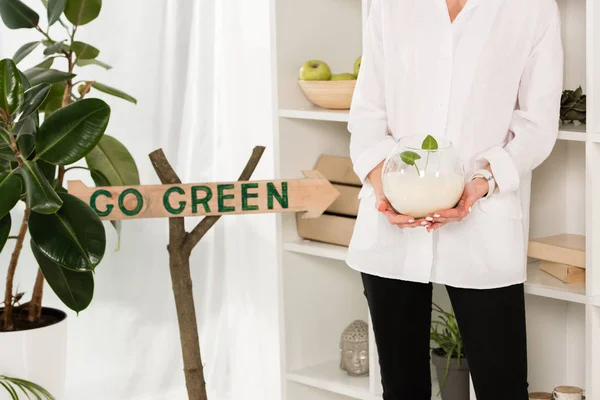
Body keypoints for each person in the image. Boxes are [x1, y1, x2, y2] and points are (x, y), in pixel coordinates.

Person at [346, 0, 564, 399]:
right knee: (401, 388)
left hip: (483, 218)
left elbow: (538, 125)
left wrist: (482, 181)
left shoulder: (531, 8)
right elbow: (367, 114)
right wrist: (384, 188)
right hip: (391, 223)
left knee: (503, 388)